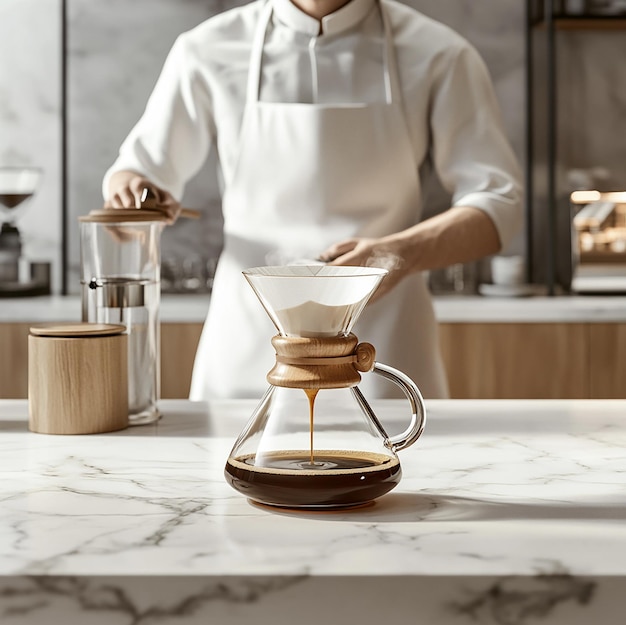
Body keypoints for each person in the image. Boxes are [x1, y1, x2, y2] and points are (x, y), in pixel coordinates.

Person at [104, 0, 523, 400]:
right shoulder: (205, 49)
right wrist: (130, 197)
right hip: (248, 353)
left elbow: (499, 204)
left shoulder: (439, 53)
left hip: (382, 354)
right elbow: (137, 176)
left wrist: (397, 255)